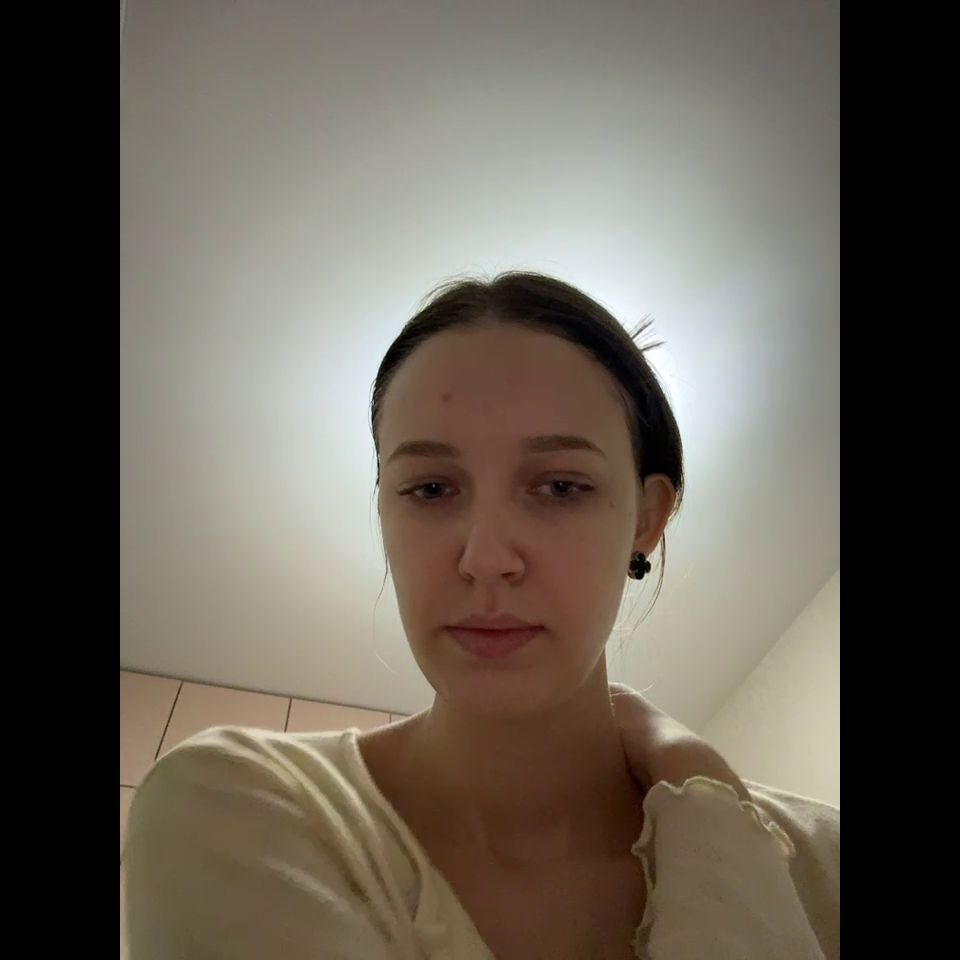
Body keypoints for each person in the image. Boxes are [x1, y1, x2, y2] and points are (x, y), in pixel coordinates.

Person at [124, 272, 839, 959]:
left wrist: (709, 805)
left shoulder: (825, 864)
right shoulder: (238, 806)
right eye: (431, 489)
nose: (486, 558)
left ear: (647, 518)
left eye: (560, 487)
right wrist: (697, 782)